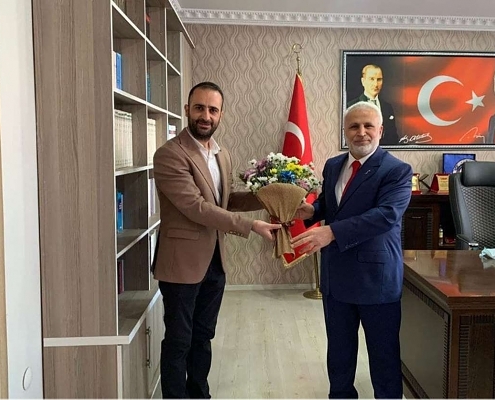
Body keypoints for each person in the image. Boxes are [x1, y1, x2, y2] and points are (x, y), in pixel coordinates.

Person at [152, 81, 281, 398]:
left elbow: (225, 201)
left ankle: (200, 393)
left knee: (203, 335)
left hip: (214, 262)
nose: (205, 116)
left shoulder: (222, 155)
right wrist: (251, 225)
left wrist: (273, 197)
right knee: (179, 339)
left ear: (221, 114)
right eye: (199, 108)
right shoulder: (169, 154)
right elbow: (196, 207)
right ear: (187, 110)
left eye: (213, 109)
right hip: (181, 264)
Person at [291, 102, 413, 398]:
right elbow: (331, 205)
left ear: (380, 130)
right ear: (345, 131)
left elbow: (385, 216)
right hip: (336, 277)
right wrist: (312, 210)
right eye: (354, 126)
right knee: (339, 356)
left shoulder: (397, 170)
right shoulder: (333, 165)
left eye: (368, 126)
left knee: (383, 358)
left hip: (376, 280)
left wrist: (332, 231)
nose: (361, 132)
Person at [347, 64, 399, 146]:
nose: (375, 84)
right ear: (363, 81)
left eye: (379, 79)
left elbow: (393, 137)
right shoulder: (351, 106)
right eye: (371, 79)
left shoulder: (387, 107)